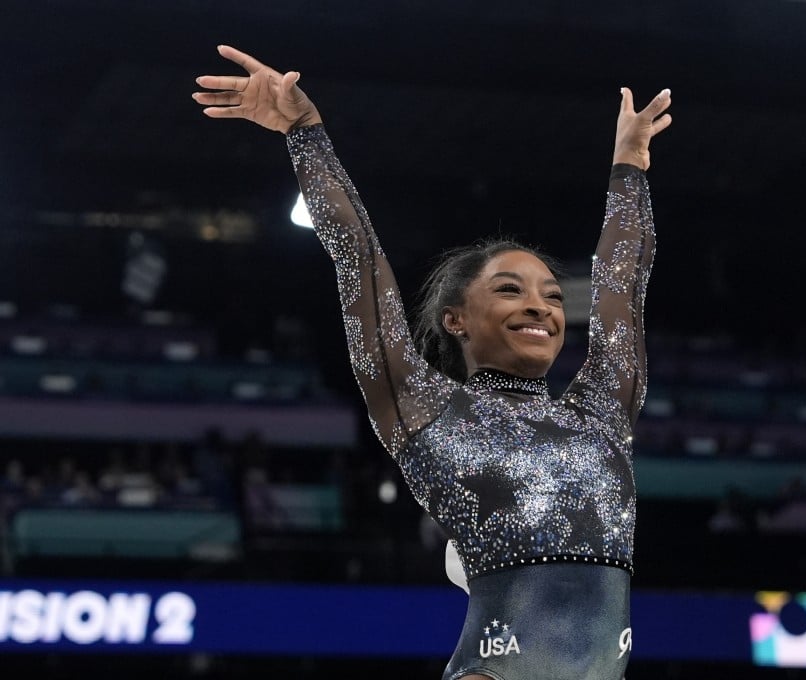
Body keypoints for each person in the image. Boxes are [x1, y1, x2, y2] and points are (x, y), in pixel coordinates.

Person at [194, 44, 671, 680]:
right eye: (510, 289)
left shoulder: (604, 412)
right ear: (456, 319)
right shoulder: (426, 408)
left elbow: (622, 282)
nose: (541, 307)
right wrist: (305, 135)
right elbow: (357, 259)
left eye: (553, 296)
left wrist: (630, 169)